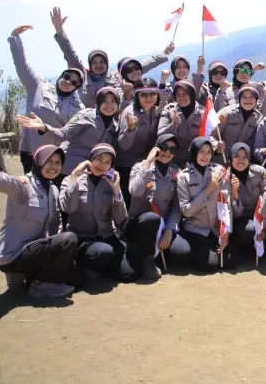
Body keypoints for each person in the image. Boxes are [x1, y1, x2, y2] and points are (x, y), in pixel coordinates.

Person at [0, 144, 77, 298]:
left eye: (58, 162)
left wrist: (61, 253)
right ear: (38, 161)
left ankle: (26, 276)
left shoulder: (53, 190)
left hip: (34, 249)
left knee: (76, 274)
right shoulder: (23, 185)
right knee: (69, 239)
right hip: (13, 254)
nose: (53, 166)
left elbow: (55, 226)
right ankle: (41, 286)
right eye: (49, 161)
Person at [49, 6, 172, 108]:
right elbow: (70, 54)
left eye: (102, 62)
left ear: (107, 63)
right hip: (89, 123)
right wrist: (59, 30)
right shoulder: (83, 76)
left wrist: (164, 53)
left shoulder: (116, 76)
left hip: (114, 124)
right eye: (94, 62)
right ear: (90, 64)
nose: (98, 65)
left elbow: (144, 64)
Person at [8, 25, 84, 174]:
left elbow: (74, 134)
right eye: (67, 77)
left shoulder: (78, 107)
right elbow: (21, 65)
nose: (69, 82)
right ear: (61, 76)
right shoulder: (37, 86)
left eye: (74, 82)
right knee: (33, 192)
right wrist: (15, 38)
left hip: (57, 157)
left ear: (76, 88)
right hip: (30, 151)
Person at [60, 144, 139, 282]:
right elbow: (67, 208)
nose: (102, 165)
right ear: (90, 159)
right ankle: (85, 266)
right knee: (103, 252)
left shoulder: (111, 183)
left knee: (129, 274)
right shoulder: (71, 180)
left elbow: (121, 219)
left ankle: (102, 265)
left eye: (108, 162)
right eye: (99, 159)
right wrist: (73, 177)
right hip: (83, 239)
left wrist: (116, 191)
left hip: (107, 236)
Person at [18, 86, 120, 177]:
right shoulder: (86, 115)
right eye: (105, 101)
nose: (109, 105)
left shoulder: (115, 126)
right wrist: (44, 128)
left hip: (90, 172)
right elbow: (63, 134)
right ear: (98, 102)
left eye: (113, 101)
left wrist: (110, 172)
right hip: (69, 168)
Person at [127, 134, 191, 275]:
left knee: (182, 252)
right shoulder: (140, 167)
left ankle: (157, 252)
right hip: (142, 225)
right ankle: (148, 260)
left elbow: (176, 206)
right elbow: (135, 191)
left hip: (164, 224)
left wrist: (169, 230)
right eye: (163, 147)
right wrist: (148, 162)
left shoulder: (176, 172)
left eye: (173, 150)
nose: (167, 152)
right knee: (151, 219)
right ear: (156, 148)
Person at [176, 137, 234, 272]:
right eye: (201, 151)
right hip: (196, 228)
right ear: (194, 152)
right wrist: (209, 188)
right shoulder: (183, 177)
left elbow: (227, 204)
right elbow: (186, 211)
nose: (205, 156)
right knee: (209, 265)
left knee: (230, 260)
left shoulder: (219, 171)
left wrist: (226, 233)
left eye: (209, 152)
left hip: (215, 228)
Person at [116, 78, 161, 204]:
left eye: (152, 94)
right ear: (137, 96)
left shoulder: (155, 110)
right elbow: (123, 145)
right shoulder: (130, 113)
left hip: (146, 163)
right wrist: (131, 129)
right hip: (128, 166)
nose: (149, 98)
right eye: (144, 94)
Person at [227, 143, 266, 260]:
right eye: (237, 156)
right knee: (249, 230)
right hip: (239, 219)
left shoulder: (260, 172)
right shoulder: (226, 177)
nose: (241, 160)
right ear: (231, 158)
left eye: (245, 156)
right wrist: (234, 193)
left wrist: (264, 226)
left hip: (259, 216)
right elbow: (235, 214)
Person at [157, 80, 207, 168]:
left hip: (196, 160)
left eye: (185, 93)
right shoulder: (169, 110)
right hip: (172, 161)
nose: (181, 97)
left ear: (192, 94)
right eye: (178, 94)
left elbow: (209, 136)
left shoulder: (203, 113)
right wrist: (173, 125)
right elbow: (160, 135)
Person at [217, 85, 263, 160]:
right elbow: (211, 134)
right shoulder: (225, 113)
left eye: (251, 97)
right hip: (222, 158)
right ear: (239, 99)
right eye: (244, 97)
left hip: (243, 161)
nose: (248, 100)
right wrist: (216, 145)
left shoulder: (259, 118)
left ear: (256, 100)